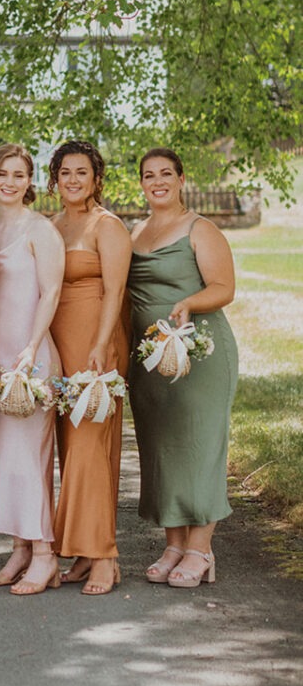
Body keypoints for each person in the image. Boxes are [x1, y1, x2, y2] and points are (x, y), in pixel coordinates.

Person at [128, 148, 238, 588]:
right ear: (141, 182)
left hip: (200, 353)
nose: (157, 181)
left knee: (200, 445)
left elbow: (224, 287)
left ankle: (201, 549)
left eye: (166, 174)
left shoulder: (200, 228)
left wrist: (189, 302)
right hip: (151, 357)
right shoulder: (136, 231)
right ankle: (174, 545)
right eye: (149, 175)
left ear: (181, 178)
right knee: (162, 450)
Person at [0, 143, 65, 596]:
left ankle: (46, 555)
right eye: (2, 174)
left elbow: (50, 293)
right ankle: (20, 547)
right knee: (7, 461)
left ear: (29, 182)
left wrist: (31, 349)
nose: (10, 182)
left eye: (19, 174)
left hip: (30, 358)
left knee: (31, 459)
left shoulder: (41, 229)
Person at [47, 141, 131, 596]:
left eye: (82, 172)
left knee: (89, 447)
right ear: (55, 179)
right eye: (65, 173)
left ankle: (104, 555)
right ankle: (80, 553)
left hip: (96, 341)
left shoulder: (108, 226)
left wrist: (101, 345)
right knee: (67, 447)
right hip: (58, 341)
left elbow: (116, 292)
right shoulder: (52, 224)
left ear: (97, 178)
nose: (73, 180)